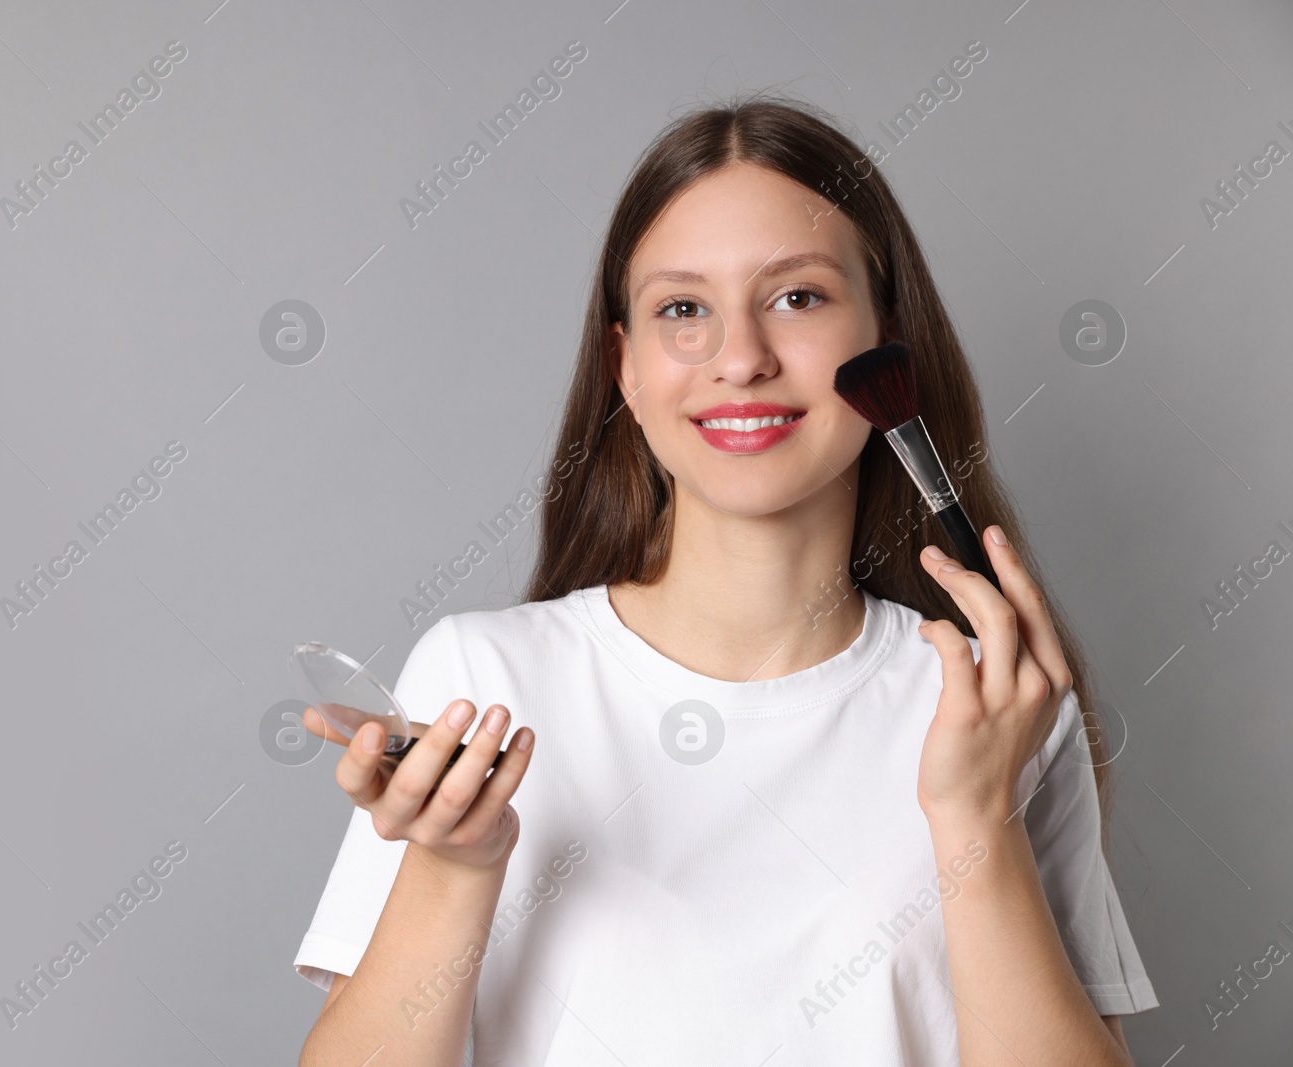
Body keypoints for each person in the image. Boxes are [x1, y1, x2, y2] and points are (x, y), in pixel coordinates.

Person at [292, 91, 1157, 1066]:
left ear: (886, 342)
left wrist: (974, 820)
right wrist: (454, 866)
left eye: (796, 297)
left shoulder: (995, 703)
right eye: (683, 308)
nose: (740, 359)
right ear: (625, 365)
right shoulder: (482, 678)